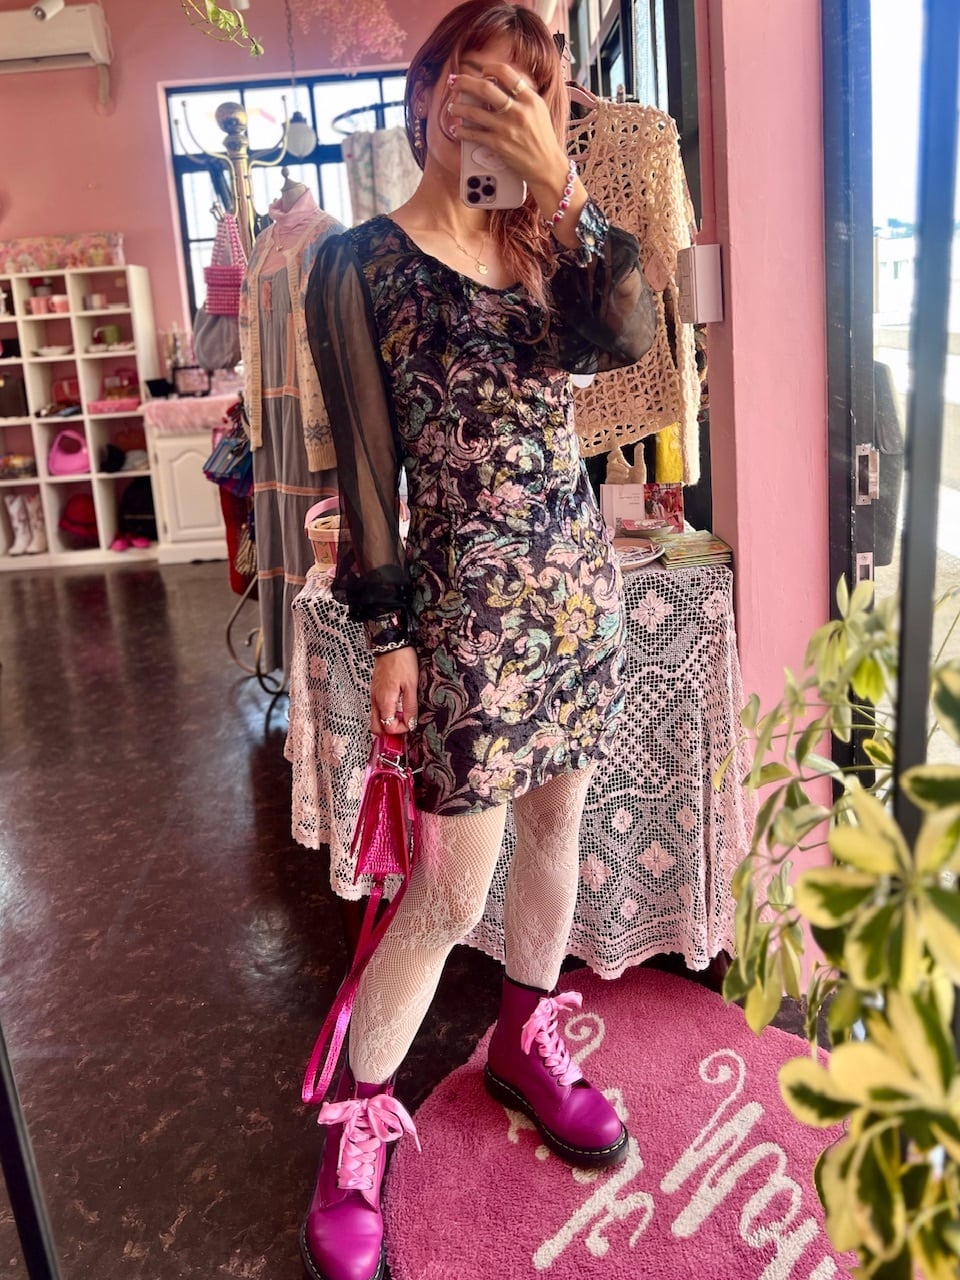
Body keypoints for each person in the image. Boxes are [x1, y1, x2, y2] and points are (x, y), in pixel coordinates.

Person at [303, 3, 656, 1277]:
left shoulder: (551, 246)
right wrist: (388, 630)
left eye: (530, 90)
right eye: (480, 78)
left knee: (560, 834)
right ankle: (355, 1127)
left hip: (575, 597)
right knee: (450, 890)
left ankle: (522, 1038)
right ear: (428, 92)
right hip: (463, 616)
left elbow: (628, 338)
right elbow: (368, 470)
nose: (502, 104)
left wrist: (568, 189)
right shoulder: (357, 263)